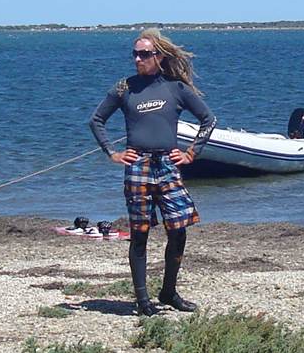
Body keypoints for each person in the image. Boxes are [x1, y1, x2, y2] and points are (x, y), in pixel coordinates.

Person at [88, 29, 216, 317]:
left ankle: (168, 292)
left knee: (178, 231)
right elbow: (96, 120)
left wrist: (191, 153)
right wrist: (113, 153)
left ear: (159, 56)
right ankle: (142, 300)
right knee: (140, 234)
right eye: (135, 54)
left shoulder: (176, 88)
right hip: (138, 166)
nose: (138, 59)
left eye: (144, 54)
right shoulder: (124, 88)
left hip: (168, 166)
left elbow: (208, 119)